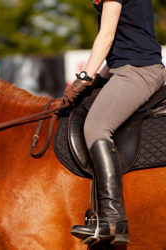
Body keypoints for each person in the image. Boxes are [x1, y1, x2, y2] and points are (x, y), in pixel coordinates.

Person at [63, 0, 166, 245]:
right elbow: (127, 41)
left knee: (96, 127)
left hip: (138, 71)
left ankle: (112, 218)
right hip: (124, 67)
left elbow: (107, 36)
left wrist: (85, 77)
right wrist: (100, 77)